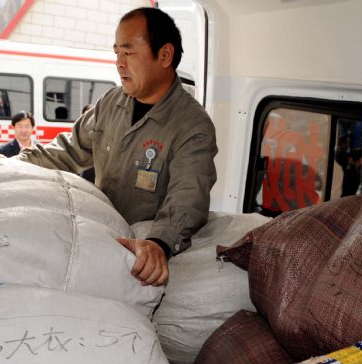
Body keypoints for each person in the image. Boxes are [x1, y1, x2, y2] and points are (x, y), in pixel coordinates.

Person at [16, 7, 217, 286]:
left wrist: (159, 244)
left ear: (165, 55)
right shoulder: (111, 103)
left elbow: (188, 198)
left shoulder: (192, 126)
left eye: (129, 52)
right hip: (98, 239)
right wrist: (15, 162)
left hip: (140, 254)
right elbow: (68, 151)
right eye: (116, 53)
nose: (120, 63)